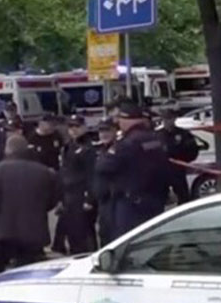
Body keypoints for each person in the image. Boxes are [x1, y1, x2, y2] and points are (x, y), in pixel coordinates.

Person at [0, 135, 60, 277]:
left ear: (7, 150)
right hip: (34, 234)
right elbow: (52, 200)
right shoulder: (44, 172)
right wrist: (38, 209)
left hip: (3, 233)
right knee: (30, 275)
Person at [96, 101, 170, 240]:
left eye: (121, 120)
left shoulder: (127, 142)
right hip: (155, 198)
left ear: (128, 120)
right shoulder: (156, 138)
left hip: (131, 203)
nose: (119, 123)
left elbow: (103, 166)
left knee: (126, 241)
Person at [56, 115, 97, 254]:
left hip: (81, 194)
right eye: (71, 127)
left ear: (84, 127)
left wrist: (90, 198)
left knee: (84, 231)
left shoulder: (88, 148)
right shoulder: (68, 146)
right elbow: (64, 172)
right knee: (72, 231)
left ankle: (87, 255)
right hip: (69, 195)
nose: (73, 130)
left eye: (77, 127)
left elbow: (92, 174)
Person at [156, 109, 199, 205]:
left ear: (174, 119)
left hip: (178, 170)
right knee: (160, 199)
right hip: (162, 171)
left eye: (170, 119)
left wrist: (183, 159)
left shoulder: (183, 134)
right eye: (165, 119)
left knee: (184, 197)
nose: (167, 122)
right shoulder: (157, 135)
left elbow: (192, 149)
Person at [93, 118, 118, 246]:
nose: (103, 134)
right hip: (102, 201)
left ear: (115, 130)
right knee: (104, 234)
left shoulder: (119, 149)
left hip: (115, 200)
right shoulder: (98, 150)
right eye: (101, 131)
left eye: (107, 130)